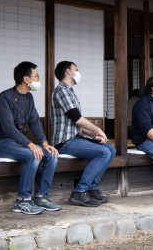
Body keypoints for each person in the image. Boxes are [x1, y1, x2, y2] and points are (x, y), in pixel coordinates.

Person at [0, 62, 61, 215]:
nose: (38, 79)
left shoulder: (29, 98)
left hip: (17, 143)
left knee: (52, 155)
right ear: (26, 79)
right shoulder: (5, 97)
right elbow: (8, 128)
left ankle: (41, 197)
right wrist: (30, 145)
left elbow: (34, 122)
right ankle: (22, 201)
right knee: (32, 155)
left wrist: (44, 143)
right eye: (36, 76)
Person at [51, 61, 116, 207]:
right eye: (76, 69)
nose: (78, 72)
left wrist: (93, 135)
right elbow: (77, 118)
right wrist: (97, 130)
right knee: (103, 153)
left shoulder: (69, 92)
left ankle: (92, 188)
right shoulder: (62, 91)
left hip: (74, 138)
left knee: (110, 149)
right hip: (65, 142)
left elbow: (75, 124)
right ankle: (79, 192)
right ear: (68, 71)